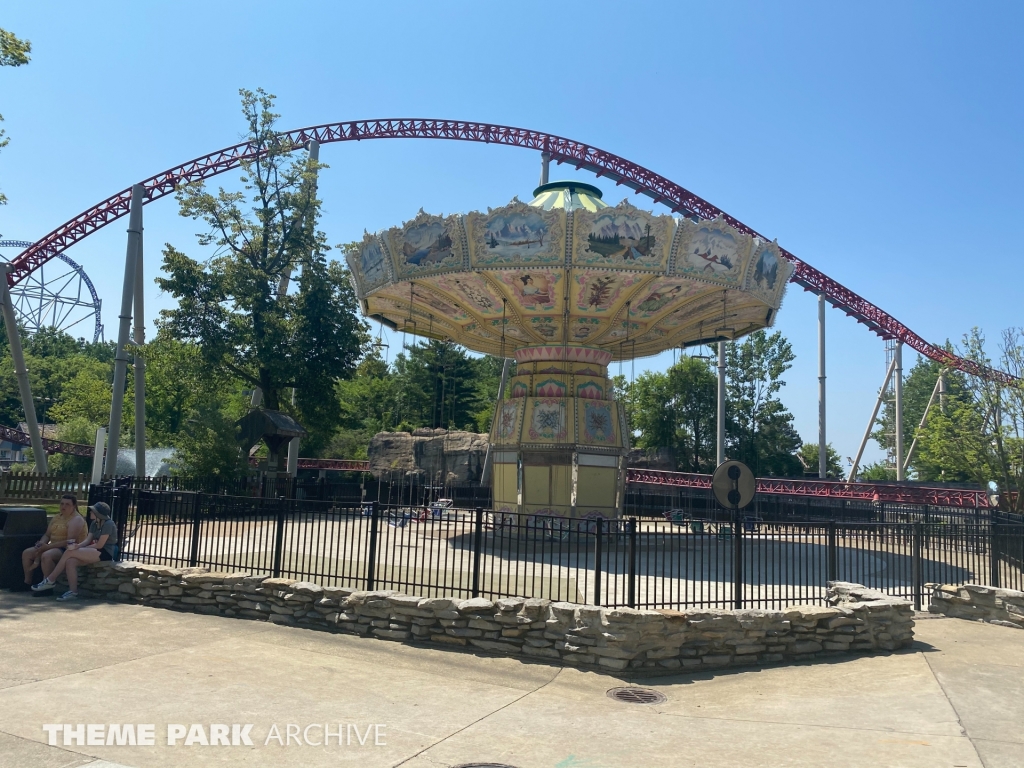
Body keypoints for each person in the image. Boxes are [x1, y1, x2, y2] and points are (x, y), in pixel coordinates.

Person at [31, 501, 118, 601]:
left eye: (93, 511)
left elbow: (100, 545)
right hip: (94, 551)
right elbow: (87, 540)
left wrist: (79, 549)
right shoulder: (95, 523)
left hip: (105, 552)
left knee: (69, 552)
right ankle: (73, 592)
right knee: (70, 561)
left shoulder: (108, 524)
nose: (90, 512)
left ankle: (50, 579)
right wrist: (78, 546)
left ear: (98, 513)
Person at [21, 493, 88, 588]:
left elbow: (70, 541)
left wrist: (47, 547)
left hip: (69, 549)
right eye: (62, 504)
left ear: (74, 506)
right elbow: (47, 535)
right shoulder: (57, 517)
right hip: (52, 546)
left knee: (47, 555)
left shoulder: (76, 519)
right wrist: (41, 544)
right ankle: (27, 582)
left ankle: (47, 585)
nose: (63, 506)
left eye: (67, 504)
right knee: (27, 553)